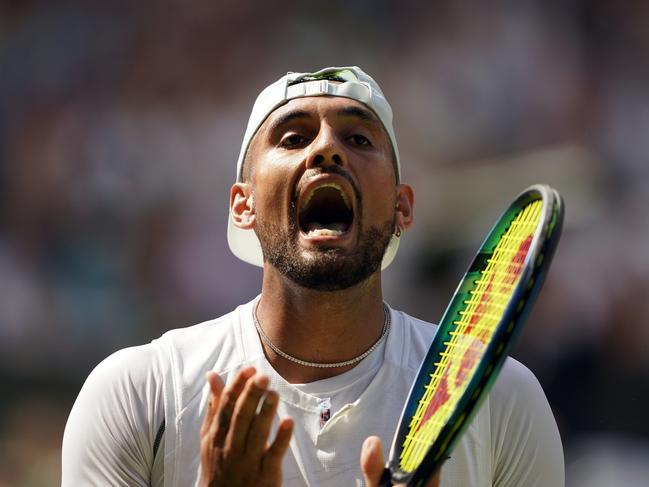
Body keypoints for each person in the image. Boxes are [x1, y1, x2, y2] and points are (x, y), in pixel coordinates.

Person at [62, 66, 564, 487]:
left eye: (358, 138)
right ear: (244, 206)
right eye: (295, 137)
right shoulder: (138, 392)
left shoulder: (502, 401)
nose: (327, 150)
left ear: (400, 208)